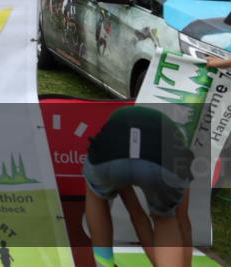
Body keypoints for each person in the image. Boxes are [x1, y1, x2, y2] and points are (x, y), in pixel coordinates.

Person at [83, 105, 194, 267]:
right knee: (166, 219)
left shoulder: (118, 140)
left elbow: (138, 216)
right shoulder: (179, 157)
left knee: (96, 195)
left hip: (110, 155)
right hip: (160, 163)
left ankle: (103, 264)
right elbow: (183, 224)